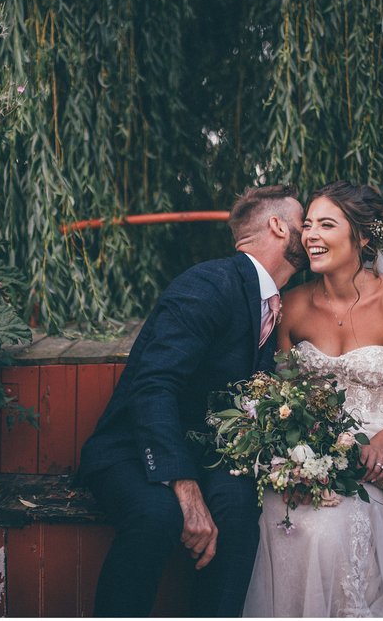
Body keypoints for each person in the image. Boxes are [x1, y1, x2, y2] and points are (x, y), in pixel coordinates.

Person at [78, 185, 308, 617]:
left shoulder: (272, 302)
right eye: (304, 221)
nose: (310, 232)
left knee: (240, 513)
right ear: (278, 225)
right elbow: (154, 384)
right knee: (158, 515)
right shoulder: (209, 283)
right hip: (132, 448)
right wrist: (184, 486)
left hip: (209, 450)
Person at [242, 180, 383, 617]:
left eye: (326, 224)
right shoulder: (293, 306)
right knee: (277, 515)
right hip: (311, 449)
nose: (311, 236)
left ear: (361, 237)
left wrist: (382, 443)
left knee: (329, 531)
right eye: (307, 225)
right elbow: (286, 394)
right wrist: (299, 453)